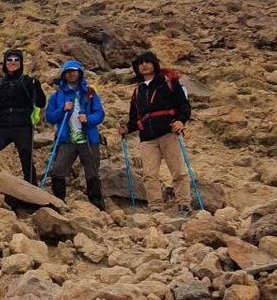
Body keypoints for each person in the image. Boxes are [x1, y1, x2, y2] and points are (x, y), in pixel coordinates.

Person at [119, 51, 192, 215]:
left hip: (168, 131)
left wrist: (181, 120)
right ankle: (155, 206)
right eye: (140, 63)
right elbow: (134, 118)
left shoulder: (168, 82)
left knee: (178, 171)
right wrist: (127, 129)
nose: (144, 65)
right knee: (149, 175)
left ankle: (184, 204)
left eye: (147, 61)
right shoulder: (137, 92)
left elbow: (183, 105)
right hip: (147, 138)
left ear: (154, 64)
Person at [0, 48, 46, 183]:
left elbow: (41, 103)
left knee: (26, 159)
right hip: (3, 125)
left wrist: (37, 88)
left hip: (23, 125)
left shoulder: (29, 81)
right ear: (5, 63)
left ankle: (32, 191)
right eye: (9, 60)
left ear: (21, 63)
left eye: (16, 60)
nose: (13, 62)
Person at [44, 59, 105, 209]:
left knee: (92, 172)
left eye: (74, 71)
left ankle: (97, 205)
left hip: (88, 139)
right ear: (64, 75)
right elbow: (49, 117)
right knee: (58, 171)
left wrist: (88, 119)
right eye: (68, 71)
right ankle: (58, 203)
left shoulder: (89, 93)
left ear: (80, 73)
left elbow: (100, 114)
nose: (72, 74)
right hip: (66, 140)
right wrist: (62, 109)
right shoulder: (57, 95)